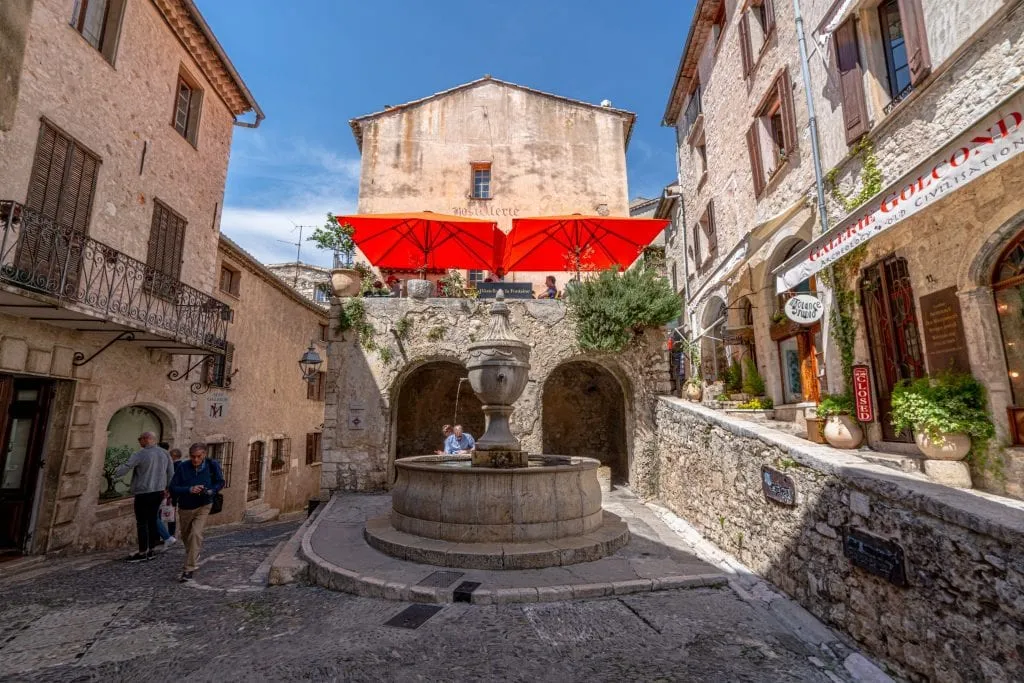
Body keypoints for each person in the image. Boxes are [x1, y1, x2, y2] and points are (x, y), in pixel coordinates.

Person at [115, 432, 175, 562]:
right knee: (152, 520)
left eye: (139, 439)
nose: (139, 442)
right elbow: (171, 472)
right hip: (159, 492)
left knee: (142, 522)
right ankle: (151, 550)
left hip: (143, 492)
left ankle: (142, 552)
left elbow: (127, 467)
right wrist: (168, 489)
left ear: (146, 439)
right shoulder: (165, 453)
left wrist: (115, 473)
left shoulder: (141, 454)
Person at [169, 443, 225, 582]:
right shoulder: (183, 467)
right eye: (193, 457)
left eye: (198, 457)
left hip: (204, 505)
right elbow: (173, 487)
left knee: (196, 534)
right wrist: (189, 489)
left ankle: (189, 568)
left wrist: (212, 490)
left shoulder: (212, 465)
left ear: (204, 455)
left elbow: (220, 481)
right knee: (186, 535)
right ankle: (194, 554)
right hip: (186, 506)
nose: (195, 460)